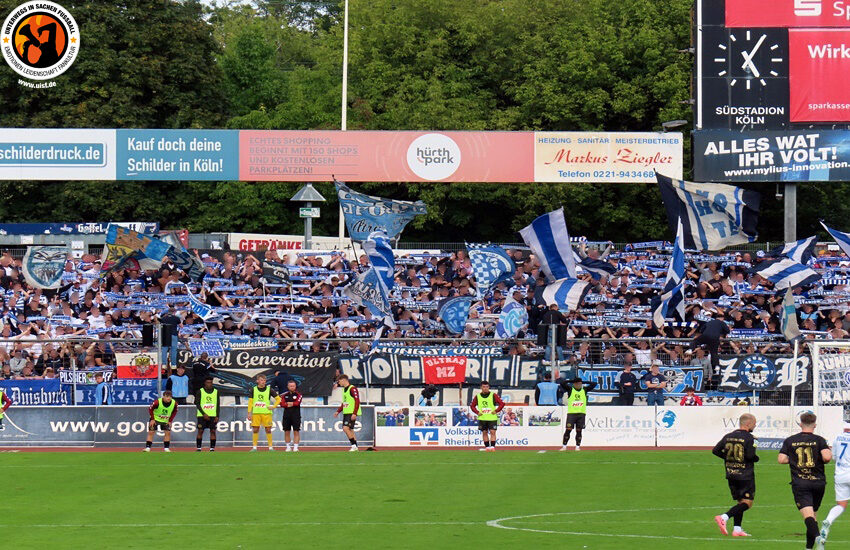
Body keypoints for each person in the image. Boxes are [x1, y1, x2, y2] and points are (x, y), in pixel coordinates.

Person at [778, 412, 833, 550]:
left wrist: (795, 459)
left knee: (808, 516)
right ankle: (809, 548)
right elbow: (827, 457)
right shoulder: (820, 440)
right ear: (815, 425)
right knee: (813, 515)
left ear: (800, 424)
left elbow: (781, 459)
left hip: (800, 483)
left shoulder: (790, 440)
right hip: (818, 482)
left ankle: (818, 537)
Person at [712, 413, 759, 537]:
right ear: (748, 424)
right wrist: (756, 458)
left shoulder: (728, 436)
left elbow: (715, 450)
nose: (755, 426)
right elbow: (750, 456)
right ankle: (724, 517)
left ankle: (737, 529)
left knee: (740, 501)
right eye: (754, 423)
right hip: (745, 475)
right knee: (747, 503)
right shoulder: (751, 438)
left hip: (731, 473)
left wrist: (728, 458)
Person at [815, 421, 850, 548]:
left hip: (840, 475)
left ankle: (828, 521)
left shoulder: (837, 438)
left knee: (841, 505)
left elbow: (833, 457)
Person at [560, 377, 598, 451]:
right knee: (568, 430)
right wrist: (572, 380)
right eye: (577, 384)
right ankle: (564, 446)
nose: (579, 385)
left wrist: (583, 382)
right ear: (574, 384)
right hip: (571, 414)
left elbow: (594, 384)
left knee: (579, 431)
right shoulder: (570, 390)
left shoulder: (584, 390)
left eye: (580, 384)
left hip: (581, 414)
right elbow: (562, 383)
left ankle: (577, 447)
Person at [469, 381, 504, 452]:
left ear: (489, 387)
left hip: (492, 417)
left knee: (492, 432)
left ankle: (492, 447)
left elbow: (502, 404)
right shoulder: (478, 396)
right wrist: (477, 412)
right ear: (481, 387)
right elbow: (472, 406)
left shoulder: (493, 395)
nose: (485, 388)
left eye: (487, 387)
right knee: (484, 432)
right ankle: (487, 447)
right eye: (484, 387)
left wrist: (496, 410)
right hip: (483, 418)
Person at [248, 374, 278, 452]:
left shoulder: (269, 389)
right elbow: (250, 402)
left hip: (266, 413)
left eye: (264, 380)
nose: (263, 382)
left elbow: (278, 399)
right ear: (257, 381)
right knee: (255, 429)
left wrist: (273, 406)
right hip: (256, 413)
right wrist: (249, 413)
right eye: (261, 380)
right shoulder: (253, 389)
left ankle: (270, 447)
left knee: (268, 430)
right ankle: (254, 447)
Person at [333, 374, 361, 451]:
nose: (338, 383)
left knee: (345, 428)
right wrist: (338, 411)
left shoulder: (352, 389)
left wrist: (354, 413)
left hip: (351, 412)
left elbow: (357, 401)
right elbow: (344, 402)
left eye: (339, 381)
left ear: (343, 380)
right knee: (350, 429)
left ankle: (353, 445)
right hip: (347, 412)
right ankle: (355, 447)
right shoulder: (344, 389)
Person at [195, 377, 220, 452]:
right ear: (205, 383)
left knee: (213, 431)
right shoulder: (200, 391)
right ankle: (199, 448)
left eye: (211, 382)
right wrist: (204, 414)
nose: (209, 384)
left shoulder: (216, 391)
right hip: (201, 415)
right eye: (208, 382)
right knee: (200, 431)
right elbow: (197, 403)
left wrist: (217, 415)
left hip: (212, 415)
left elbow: (217, 404)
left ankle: (212, 448)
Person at [280, 379, 303, 452]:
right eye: (290, 386)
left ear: (295, 386)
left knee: (296, 431)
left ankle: (295, 448)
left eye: (293, 386)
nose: (292, 387)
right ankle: (288, 447)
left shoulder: (299, 395)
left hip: (296, 416)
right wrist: (291, 404)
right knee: (287, 432)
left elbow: (297, 403)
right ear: (288, 386)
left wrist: (288, 403)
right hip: (286, 416)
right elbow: (282, 404)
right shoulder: (284, 395)